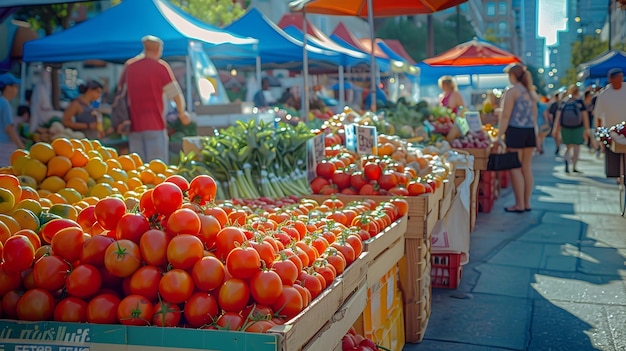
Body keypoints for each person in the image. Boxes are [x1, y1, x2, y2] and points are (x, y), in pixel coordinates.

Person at [121, 35, 191, 163]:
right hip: (155, 125)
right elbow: (175, 94)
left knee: (137, 168)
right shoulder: (160, 67)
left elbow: (120, 92)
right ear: (159, 49)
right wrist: (182, 113)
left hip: (134, 126)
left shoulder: (130, 67)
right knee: (157, 167)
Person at [497, 64, 538, 213]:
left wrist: (499, 135)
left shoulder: (512, 91)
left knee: (515, 168)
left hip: (515, 131)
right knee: (526, 168)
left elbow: (506, 115)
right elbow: (534, 116)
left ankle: (519, 204)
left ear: (512, 75)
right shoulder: (530, 92)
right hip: (529, 131)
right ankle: (527, 203)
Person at [593, 68, 626, 178]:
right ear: (611, 79)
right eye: (618, 77)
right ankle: (618, 177)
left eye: (621, 77)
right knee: (614, 163)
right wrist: (600, 133)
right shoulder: (604, 94)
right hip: (611, 133)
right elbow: (598, 115)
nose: (620, 79)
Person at [552, 84, 589, 173]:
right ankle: (574, 166)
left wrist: (555, 129)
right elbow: (585, 116)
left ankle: (567, 164)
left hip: (565, 127)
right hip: (578, 127)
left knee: (567, 147)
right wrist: (586, 129)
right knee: (576, 147)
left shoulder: (564, 102)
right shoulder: (580, 102)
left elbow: (558, 117)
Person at [0, 73, 25, 166]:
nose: (16, 90)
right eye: (15, 87)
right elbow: (9, 129)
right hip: (4, 147)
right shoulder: (5, 104)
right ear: (8, 87)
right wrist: (22, 148)